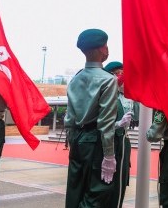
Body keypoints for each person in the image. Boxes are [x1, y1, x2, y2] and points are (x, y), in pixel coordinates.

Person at [65, 29, 118, 208]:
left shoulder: (75, 78)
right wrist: (109, 155)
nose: (107, 50)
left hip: (77, 139)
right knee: (98, 191)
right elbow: (105, 123)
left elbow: (69, 118)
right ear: (100, 49)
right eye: (105, 46)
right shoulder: (108, 80)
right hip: (96, 141)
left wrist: (73, 140)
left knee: (75, 188)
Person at [103, 61, 135, 207]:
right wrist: (118, 124)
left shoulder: (124, 97)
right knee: (109, 186)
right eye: (120, 73)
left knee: (121, 183)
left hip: (123, 144)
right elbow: (101, 125)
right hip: (112, 144)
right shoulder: (107, 97)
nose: (123, 78)